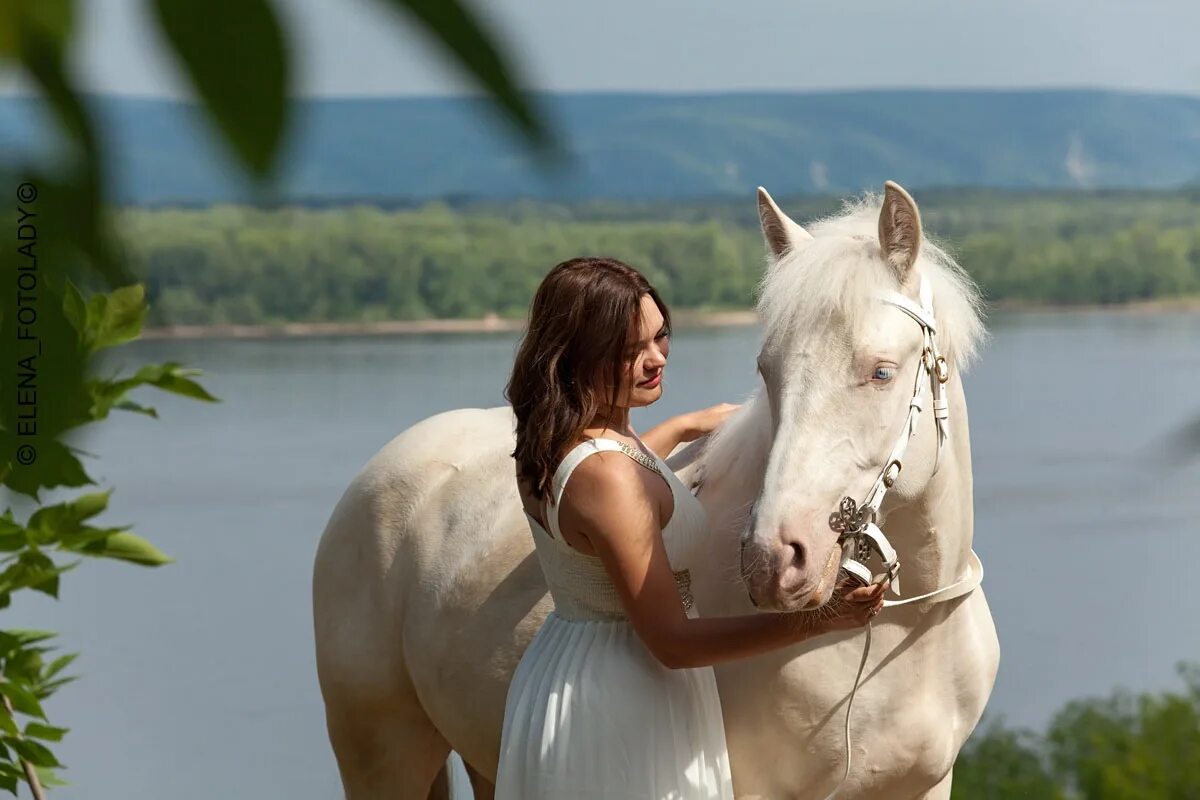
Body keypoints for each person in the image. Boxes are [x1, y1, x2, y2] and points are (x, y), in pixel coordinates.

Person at [497, 256, 886, 799]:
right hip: (623, 698)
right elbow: (672, 642)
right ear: (577, 354)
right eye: (630, 351)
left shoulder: (559, 443)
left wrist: (681, 426)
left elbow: (615, 483)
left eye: (661, 337)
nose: (655, 359)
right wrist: (819, 622)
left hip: (573, 665)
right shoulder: (608, 480)